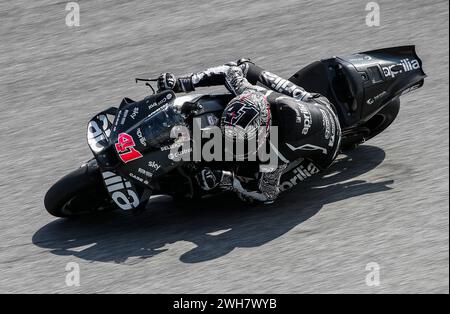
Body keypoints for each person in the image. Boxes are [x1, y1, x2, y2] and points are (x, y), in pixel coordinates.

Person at [157, 58, 341, 204]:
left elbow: (267, 194)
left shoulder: (276, 150)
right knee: (244, 65)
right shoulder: (249, 92)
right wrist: (181, 83)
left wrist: (227, 180)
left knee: (249, 191)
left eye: (239, 140)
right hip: (310, 101)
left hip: (326, 147)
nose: (230, 143)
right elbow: (229, 71)